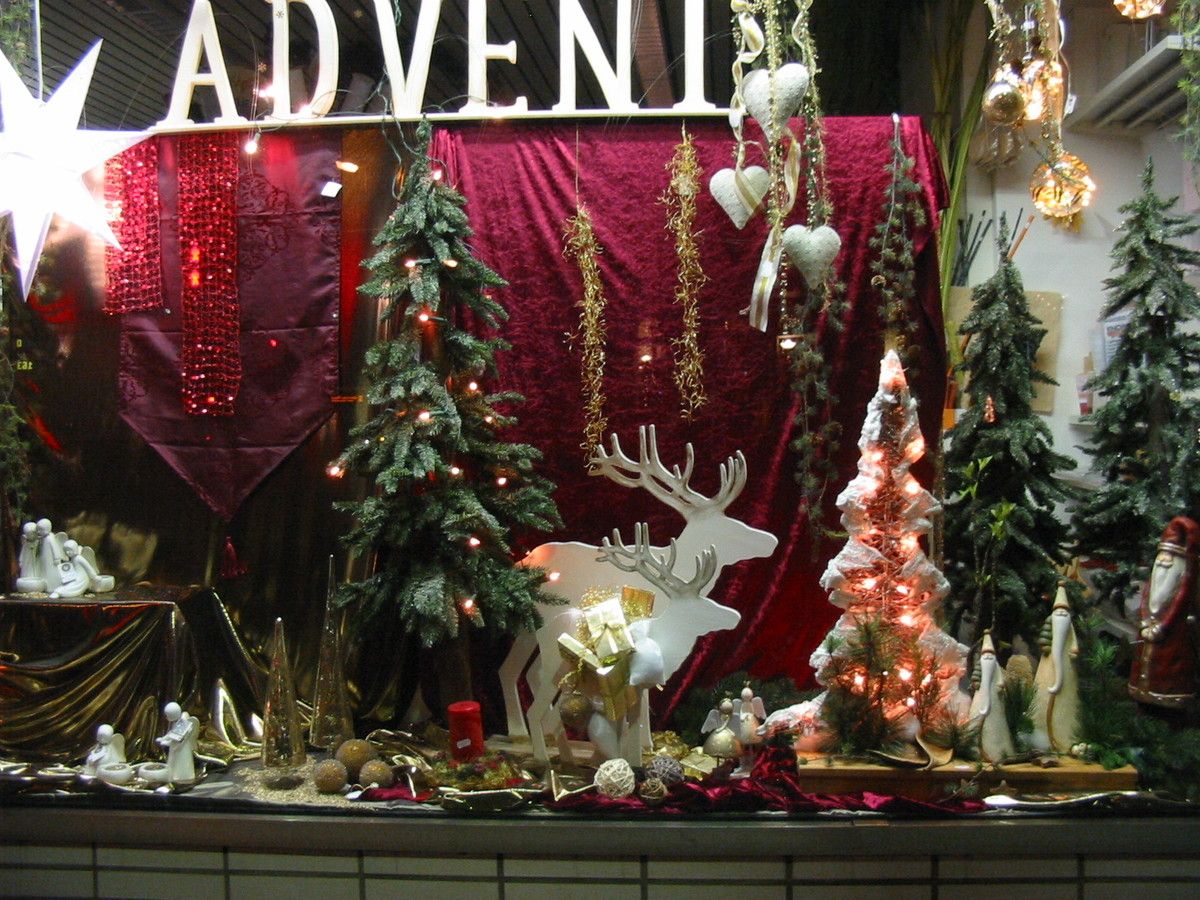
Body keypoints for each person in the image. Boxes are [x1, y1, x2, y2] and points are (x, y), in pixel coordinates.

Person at [1129, 516, 1200, 713]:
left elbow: (1181, 601)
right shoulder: (1151, 586)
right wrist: (1145, 622)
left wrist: (1163, 627)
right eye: (1159, 563)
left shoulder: (1186, 591)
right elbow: (1146, 597)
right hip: (1148, 634)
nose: (1162, 567)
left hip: (1172, 651)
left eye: (1168, 565)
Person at [156, 702, 199, 783]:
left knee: (181, 763)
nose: (166, 717)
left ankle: (182, 777)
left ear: (172, 715)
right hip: (176, 747)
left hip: (182, 748)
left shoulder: (185, 724)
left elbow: (179, 739)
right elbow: (172, 733)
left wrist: (168, 743)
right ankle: (173, 775)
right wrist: (163, 738)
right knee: (173, 762)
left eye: (167, 715)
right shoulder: (177, 723)